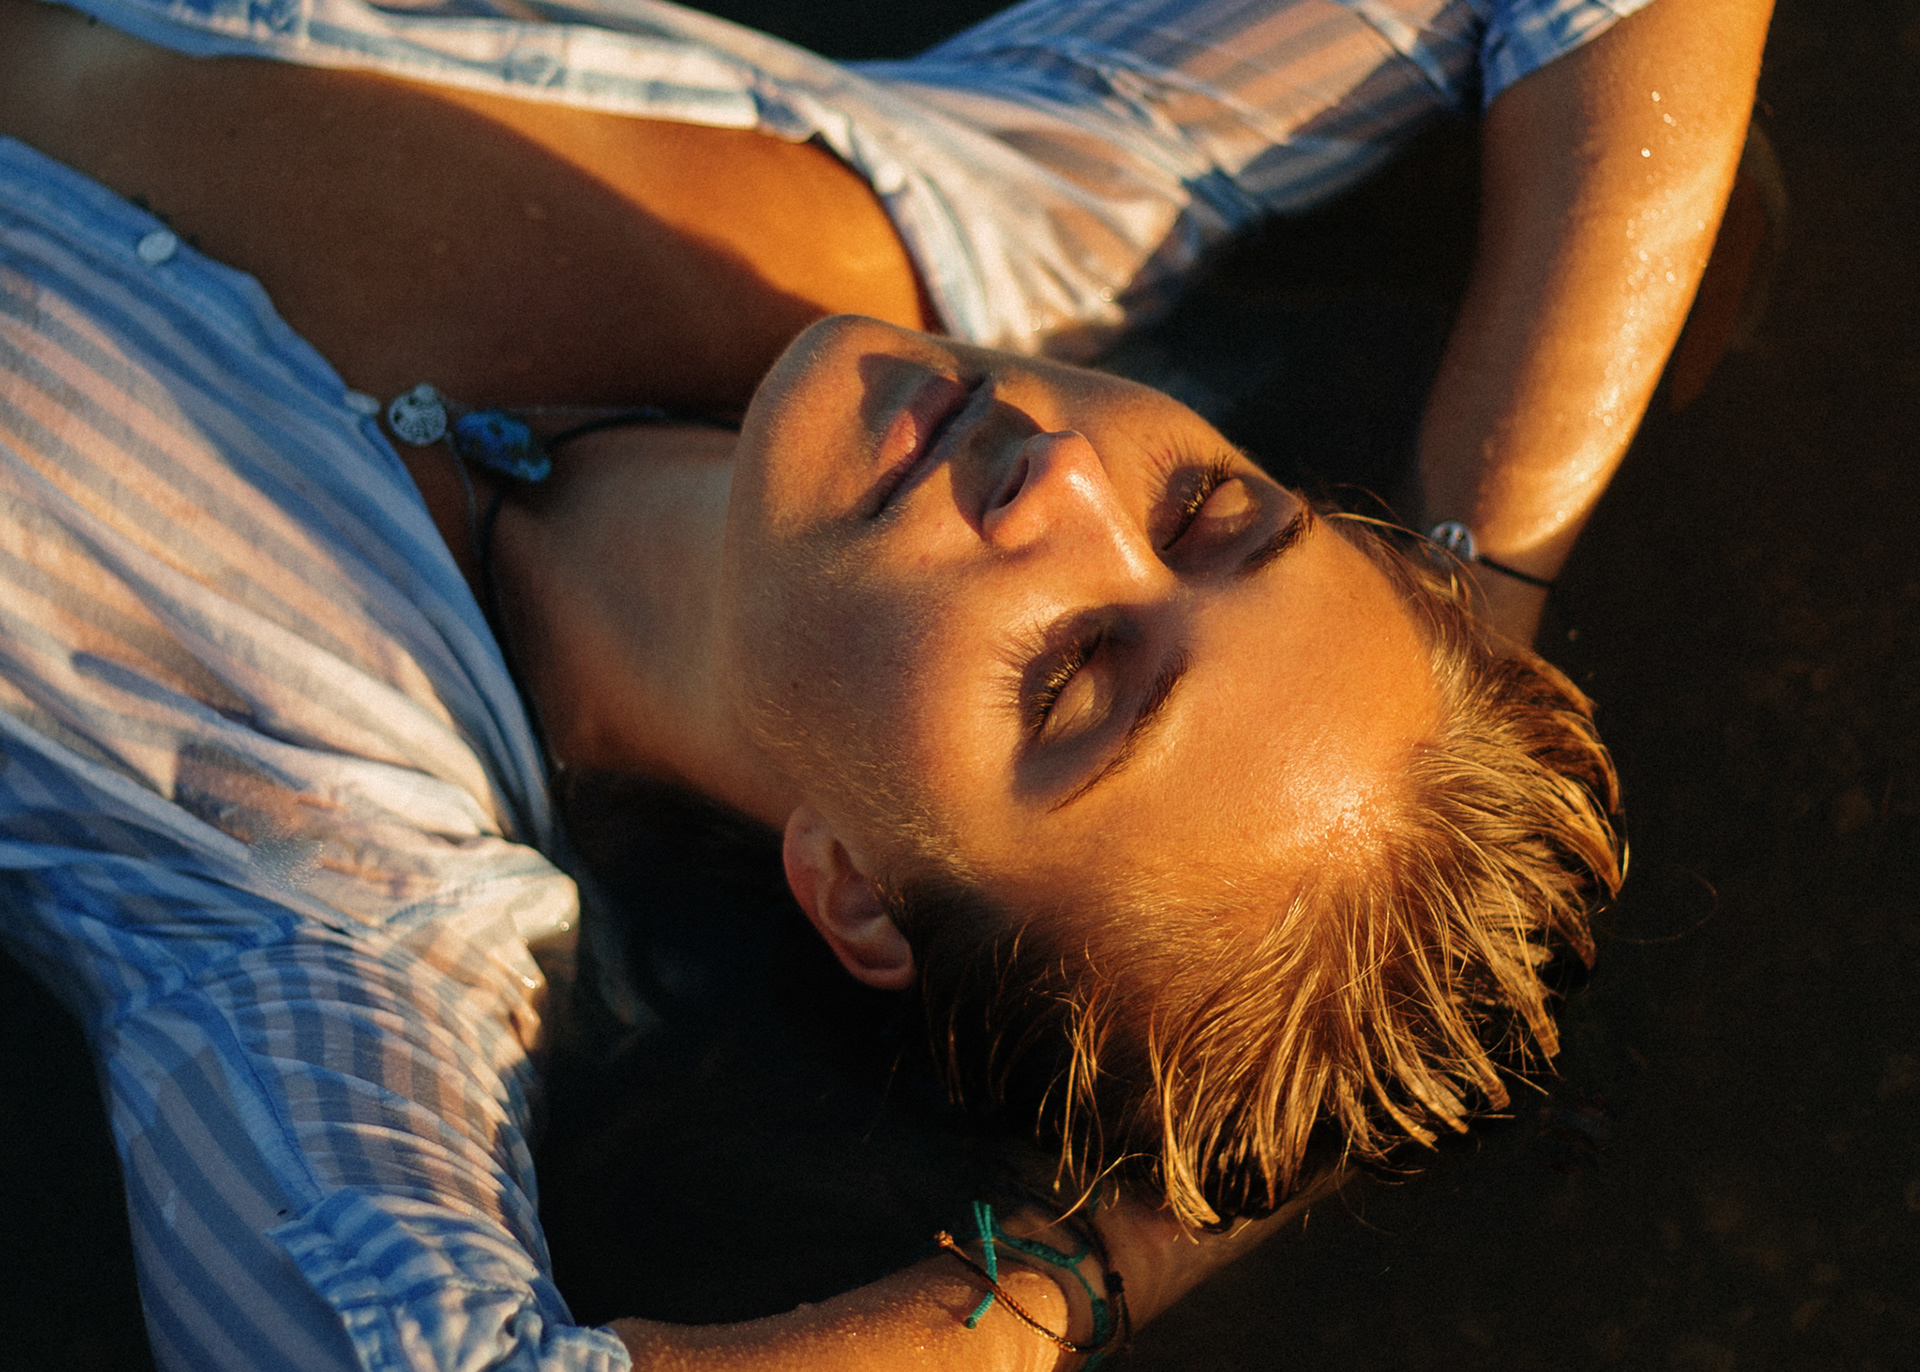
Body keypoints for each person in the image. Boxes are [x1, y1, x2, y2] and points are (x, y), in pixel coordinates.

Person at [0, 0, 1770, 1367]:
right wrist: (1489, 568)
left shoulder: (307, 877)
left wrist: (1076, 1280)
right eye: (1209, 512)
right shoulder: (1015, 219)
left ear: (854, 890)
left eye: (1078, 679)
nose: (1066, 479)